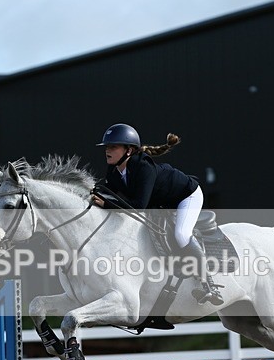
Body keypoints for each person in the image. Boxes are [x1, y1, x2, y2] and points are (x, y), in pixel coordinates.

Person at [92, 123, 223, 305]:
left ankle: (209, 284)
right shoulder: (114, 170)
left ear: (129, 150)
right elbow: (108, 192)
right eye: (107, 147)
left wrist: (106, 204)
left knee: (181, 234)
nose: (108, 150)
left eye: (113, 147)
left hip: (186, 196)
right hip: (163, 202)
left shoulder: (143, 167)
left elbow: (138, 206)